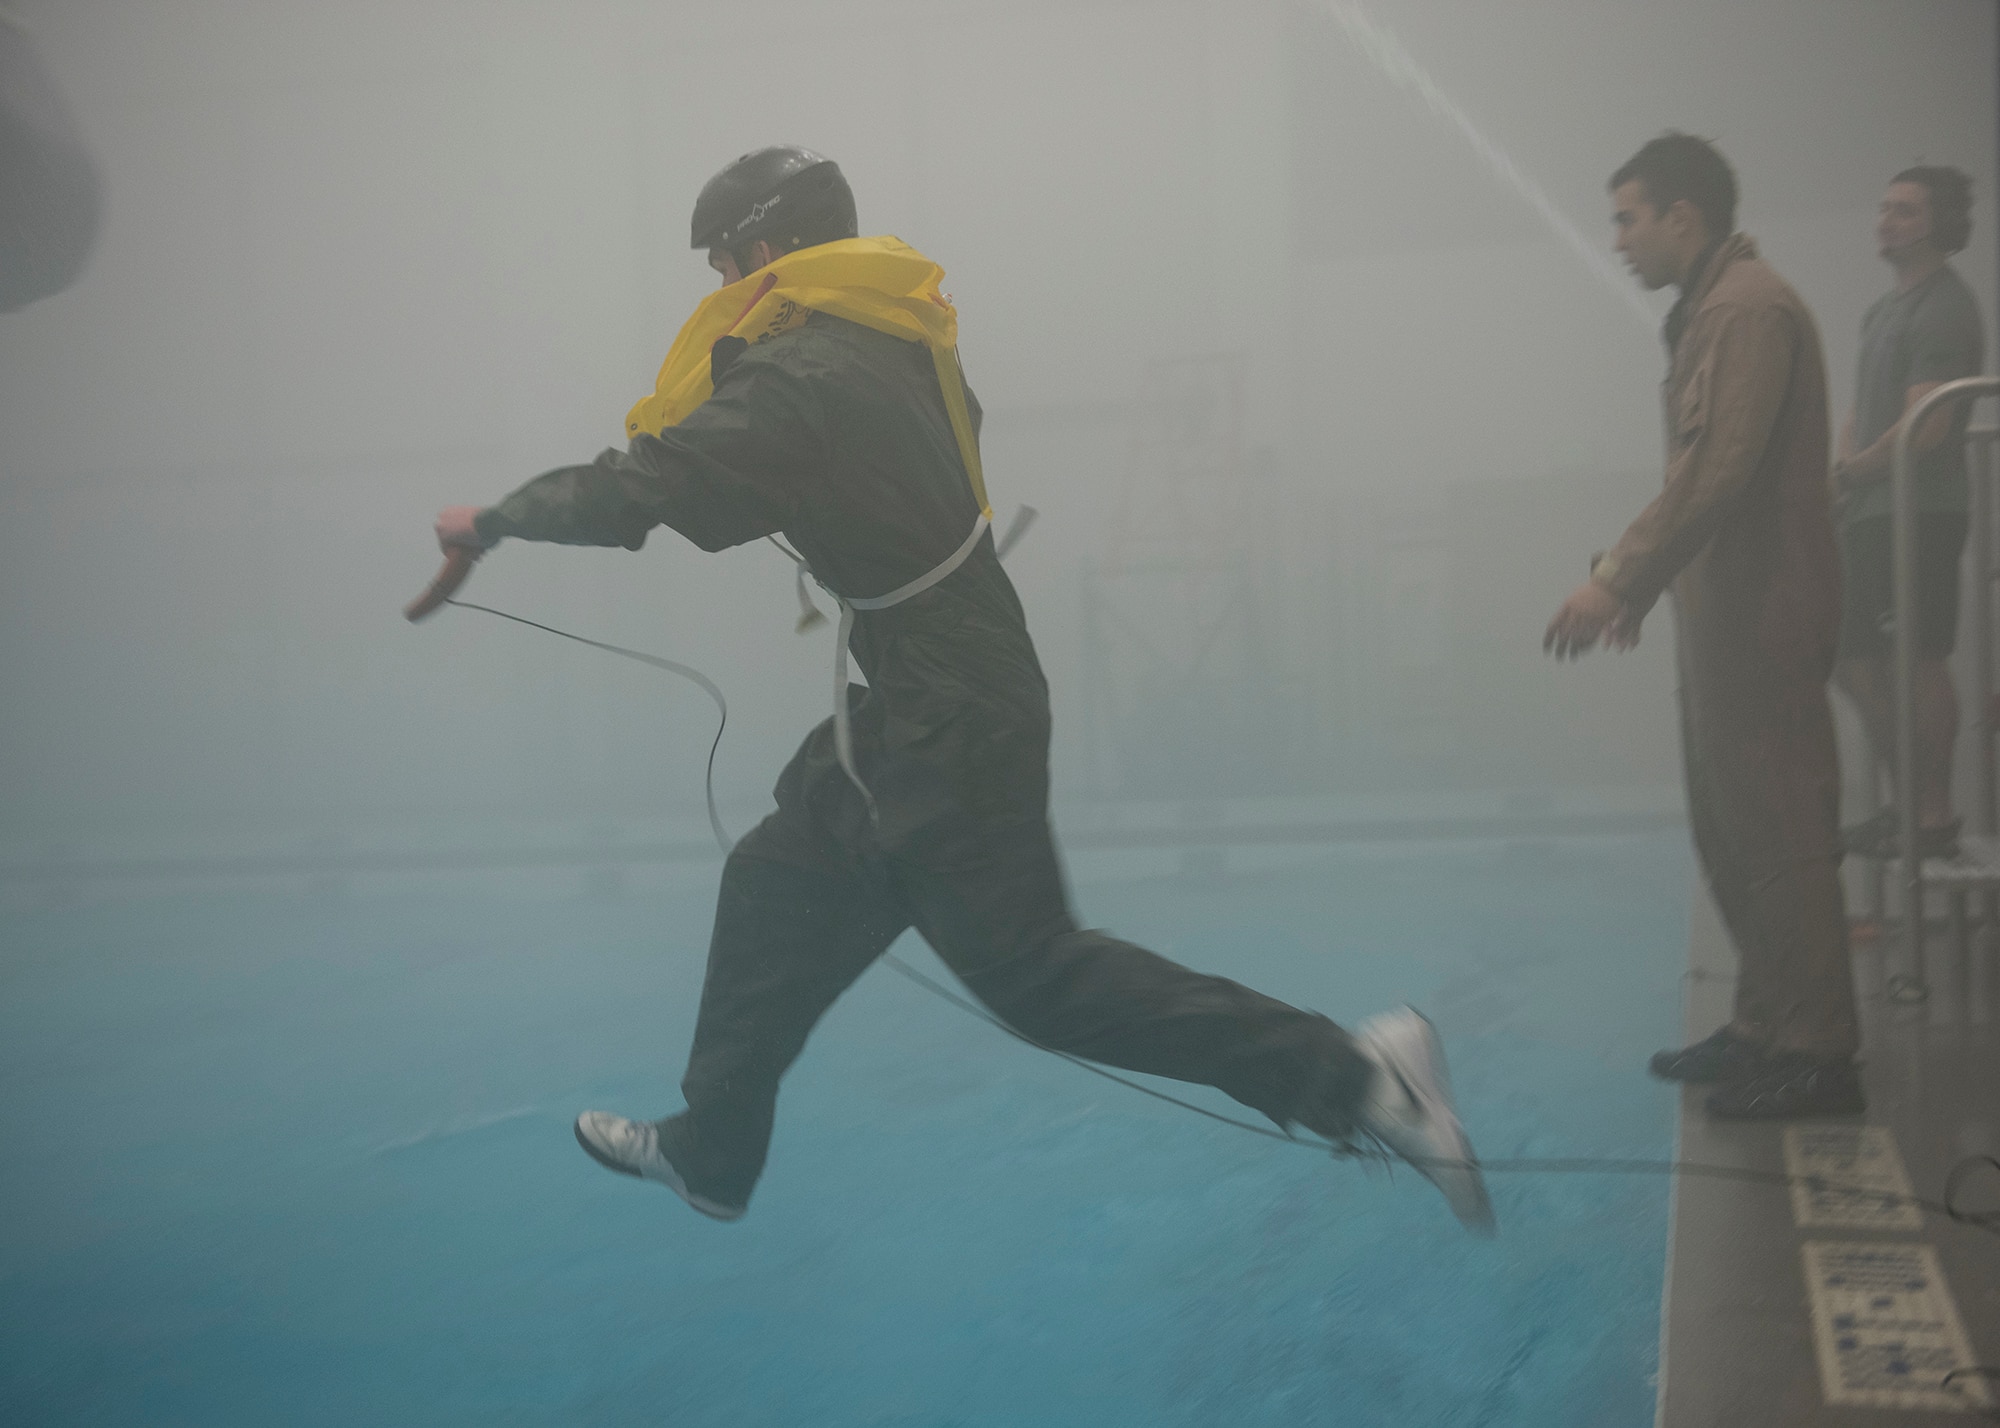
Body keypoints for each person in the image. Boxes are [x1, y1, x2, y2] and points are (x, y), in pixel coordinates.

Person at [424, 146, 1493, 1230]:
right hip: (923, 687)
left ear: (774, 250)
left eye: (726, 263)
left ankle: (1363, 1080)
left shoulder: (806, 376)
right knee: (775, 874)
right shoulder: (880, 343)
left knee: (1037, 977)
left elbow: (658, 485)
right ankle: (714, 1151)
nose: (719, 291)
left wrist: (498, 517)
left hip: (950, 703)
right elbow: (746, 483)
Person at [1544, 134, 1861, 1118]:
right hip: (1724, 610)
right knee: (1731, 825)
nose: (1618, 241)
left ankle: (1817, 1051)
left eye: (1627, 218)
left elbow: (1717, 473)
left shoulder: (1745, 310)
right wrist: (1643, 591)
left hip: (1762, 611)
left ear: (1683, 215)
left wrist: (1615, 577)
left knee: (1776, 825)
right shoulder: (1710, 314)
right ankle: (1767, 1022)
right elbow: (1706, 479)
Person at [1831, 166, 1985, 862]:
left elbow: (1929, 426)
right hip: (1868, 509)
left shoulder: (1946, 308)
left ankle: (1933, 813)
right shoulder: (1882, 311)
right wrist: (1844, 469)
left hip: (1919, 509)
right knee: (1855, 660)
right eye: (1883, 206)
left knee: (1917, 655)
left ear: (1933, 224)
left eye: (1901, 210)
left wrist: (1857, 468)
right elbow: (1863, 411)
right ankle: (1904, 806)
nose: (1883, 220)